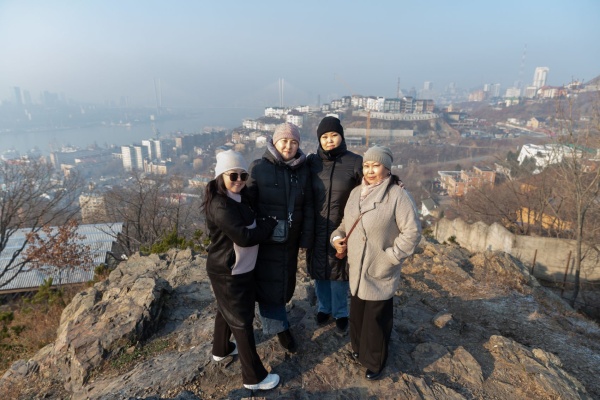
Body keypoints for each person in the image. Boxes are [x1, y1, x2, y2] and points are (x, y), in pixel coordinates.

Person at [332, 145, 421, 381]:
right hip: (357, 268)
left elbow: (412, 232)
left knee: (376, 320)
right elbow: (344, 225)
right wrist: (337, 238)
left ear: (387, 168)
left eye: (376, 165)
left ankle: (375, 361)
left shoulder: (397, 196)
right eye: (366, 166)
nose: (370, 171)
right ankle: (359, 349)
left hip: (380, 267)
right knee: (358, 314)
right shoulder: (355, 193)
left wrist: (390, 257)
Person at [202, 150, 280, 391]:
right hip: (229, 272)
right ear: (220, 176)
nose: (239, 180)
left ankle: (221, 349)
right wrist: (269, 225)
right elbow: (244, 237)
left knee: (226, 309)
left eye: (243, 175)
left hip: (237, 268)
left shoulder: (238, 197)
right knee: (242, 322)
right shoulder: (220, 204)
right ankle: (254, 377)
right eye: (233, 175)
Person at [246, 122, 314, 353]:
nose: (288, 146)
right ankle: (278, 328)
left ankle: (278, 318)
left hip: (291, 239)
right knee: (269, 283)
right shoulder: (259, 168)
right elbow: (246, 203)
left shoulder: (302, 170)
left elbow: (308, 206)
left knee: (285, 281)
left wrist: (305, 237)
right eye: (284, 141)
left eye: (294, 142)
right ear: (274, 142)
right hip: (267, 239)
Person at [307, 116, 362, 335]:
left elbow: (371, 184)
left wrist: (394, 180)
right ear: (319, 140)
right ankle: (324, 307)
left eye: (334, 135)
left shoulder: (355, 162)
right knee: (320, 270)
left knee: (339, 272)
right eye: (324, 137)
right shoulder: (312, 162)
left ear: (342, 136)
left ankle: (341, 313)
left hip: (343, 226)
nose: (329, 140)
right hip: (317, 226)